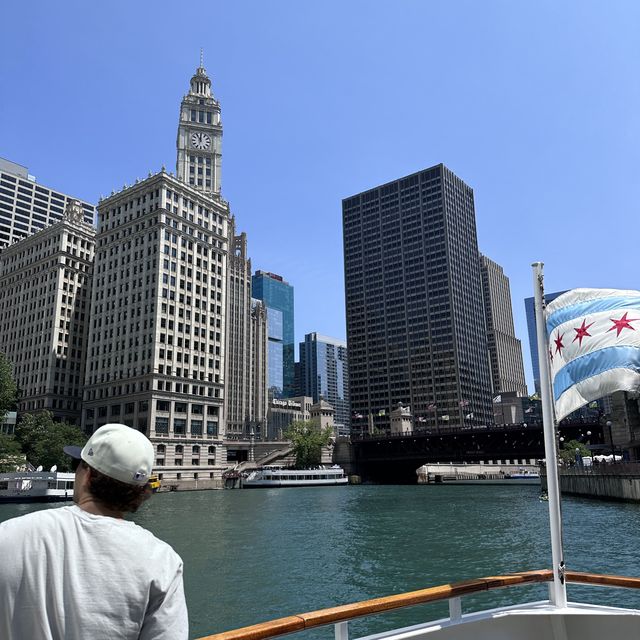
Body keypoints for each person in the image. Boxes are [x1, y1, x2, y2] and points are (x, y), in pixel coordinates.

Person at [0, 423, 188, 639]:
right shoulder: (164, 562)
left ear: (87, 474)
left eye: (77, 464)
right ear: (140, 491)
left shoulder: (8, 535)